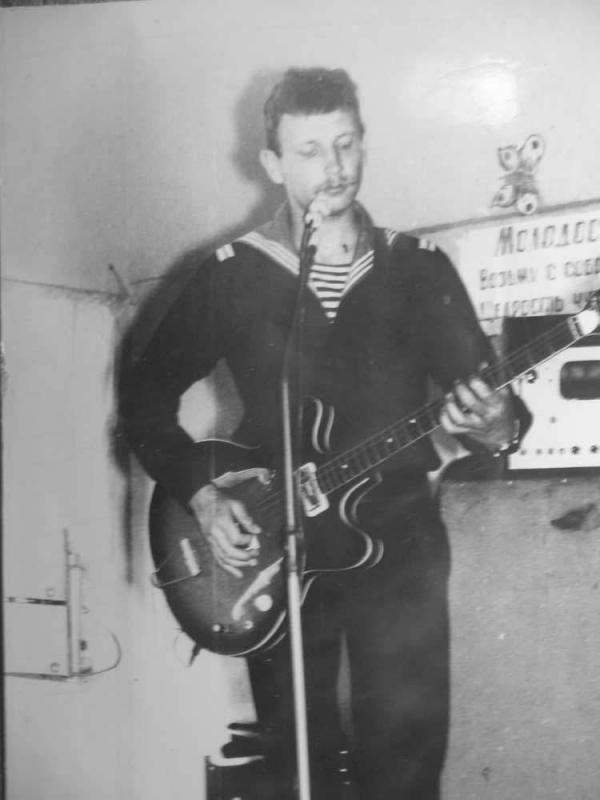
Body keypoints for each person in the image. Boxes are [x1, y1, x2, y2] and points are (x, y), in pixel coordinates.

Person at [120, 67, 529, 799]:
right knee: (296, 770)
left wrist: (499, 424)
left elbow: (494, 409)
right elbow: (144, 400)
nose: (333, 167)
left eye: (345, 144)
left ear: (364, 143)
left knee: (404, 770)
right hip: (279, 552)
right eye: (309, 151)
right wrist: (203, 495)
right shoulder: (232, 275)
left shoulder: (419, 268)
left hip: (398, 554)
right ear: (273, 163)